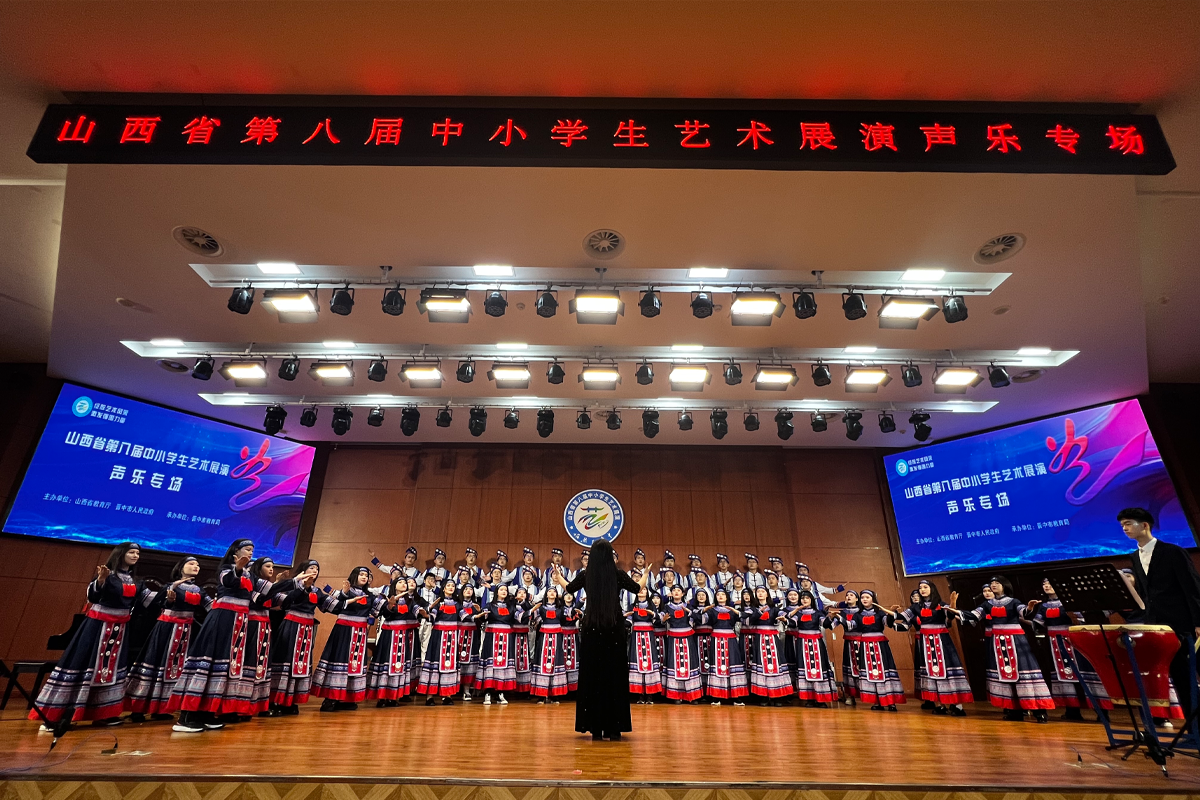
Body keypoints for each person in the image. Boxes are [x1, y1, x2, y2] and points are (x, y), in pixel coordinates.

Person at [34, 542, 152, 727]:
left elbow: (151, 601)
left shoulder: (136, 581)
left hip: (120, 631)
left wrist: (171, 591)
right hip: (97, 628)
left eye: (137, 553)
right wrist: (101, 581)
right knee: (84, 665)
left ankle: (104, 713)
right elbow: (92, 597)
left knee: (112, 671)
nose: (136, 555)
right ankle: (61, 715)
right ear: (120, 554)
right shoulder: (106, 575)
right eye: (131, 552)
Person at [554, 539, 649, 740]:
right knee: (614, 677)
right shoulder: (618, 574)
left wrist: (559, 576)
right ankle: (614, 728)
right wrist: (646, 575)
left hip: (592, 628)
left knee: (593, 676)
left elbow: (569, 588)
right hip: (614, 629)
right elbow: (637, 588)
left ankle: (595, 728)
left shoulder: (586, 575)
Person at [168, 539, 257, 732]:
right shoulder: (226, 569)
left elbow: (265, 592)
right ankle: (186, 717)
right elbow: (228, 581)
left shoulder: (250, 575)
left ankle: (207, 713)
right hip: (223, 620)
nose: (250, 553)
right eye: (247, 549)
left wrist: (296, 583)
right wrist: (238, 569)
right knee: (208, 662)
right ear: (235, 551)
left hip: (238, 623)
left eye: (252, 550)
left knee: (222, 668)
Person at [1122, 506, 1200, 714]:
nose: (1125, 528)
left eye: (1128, 524)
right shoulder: (1134, 557)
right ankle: (1194, 727)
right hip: (1159, 627)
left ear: (1145, 525)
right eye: (1122, 525)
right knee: (1180, 676)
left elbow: (1192, 588)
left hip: (1184, 623)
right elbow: (1146, 593)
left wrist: (1198, 622)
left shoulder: (1173, 552)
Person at [125, 555, 209, 721]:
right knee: (156, 664)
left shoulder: (200, 590)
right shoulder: (171, 586)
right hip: (166, 629)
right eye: (191, 564)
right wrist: (169, 600)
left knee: (176, 668)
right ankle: (138, 709)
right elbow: (156, 604)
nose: (196, 566)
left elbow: (210, 606)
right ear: (181, 568)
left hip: (186, 631)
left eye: (198, 565)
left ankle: (162, 709)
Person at [957, 576, 1053, 722]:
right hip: (997, 644)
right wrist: (954, 610)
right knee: (1003, 675)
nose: (993, 585)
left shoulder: (1014, 601)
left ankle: (1038, 711)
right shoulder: (987, 604)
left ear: (1004, 585)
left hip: (1016, 642)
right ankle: (1014, 710)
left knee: (1024, 673)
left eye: (997, 583)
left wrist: (1029, 607)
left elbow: (1023, 612)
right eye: (992, 583)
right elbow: (973, 615)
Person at [1027, 578, 1111, 720]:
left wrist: (1074, 619)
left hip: (1073, 642)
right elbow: (1037, 624)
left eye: (1049, 583)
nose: (1046, 586)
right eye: (1044, 584)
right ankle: (1072, 711)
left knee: (1084, 673)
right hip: (1054, 644)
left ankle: (1102, 713)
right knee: (1063, 676)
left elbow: (1081, 621)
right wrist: (1021, 617)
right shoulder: (1043, 606)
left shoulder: (1069, 603)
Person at [893, 579, 972, 716]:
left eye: (925, 587)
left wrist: (952, 603)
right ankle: (939, 705)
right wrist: (892, 612)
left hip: (943, 642)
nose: (922, 590)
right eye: (920, 587)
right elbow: (901, 616)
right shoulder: (916, 607)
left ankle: (957, 705)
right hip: (926, 643)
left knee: (949, 670)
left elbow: (950, 616)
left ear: (932, 589)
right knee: (931, 671)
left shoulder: (941, 604)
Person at [311, 566, 385, 712]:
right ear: (354, 576)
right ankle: (331, 698)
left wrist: (389, 603)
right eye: (361, 574)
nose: (364, 577)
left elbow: (376, 613)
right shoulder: (345, 592)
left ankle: (348, 698)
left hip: (359, 633)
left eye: (366, 575)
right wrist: (344, 593)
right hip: (343, 631)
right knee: (339, 660)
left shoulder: (370, 596)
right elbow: (336, 607)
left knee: (354, 664)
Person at [269, 560, 331, 714]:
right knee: (286, 660)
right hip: (291, 626)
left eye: (317, 569)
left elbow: (329, 605)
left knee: (301, 664)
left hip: (306, 630)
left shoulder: (316, 591)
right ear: (303, 570)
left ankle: (291, 701)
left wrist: (345, 596)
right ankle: (276, 701)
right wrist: (303, 587)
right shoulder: (292, 585)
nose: (315, 571)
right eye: (311, 568)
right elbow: (284, 603)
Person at [368, 574, 424, 707]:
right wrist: (390, 605)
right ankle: (381, 697)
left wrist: (424, 613)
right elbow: (382, 614)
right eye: (400, 582)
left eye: (405, 582)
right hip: (389, 636)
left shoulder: (410, 601)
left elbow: (418, 612)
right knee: (386, 664)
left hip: (403, 637)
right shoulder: (386, 598)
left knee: (399, 665)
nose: (404, 584)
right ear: (394, 586)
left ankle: (393, 697)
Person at [845, 590, 906, 711]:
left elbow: (888, 624)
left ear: (873, 599)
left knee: (884, 671)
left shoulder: (880, 613)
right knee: (870, 672)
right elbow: (850, 626)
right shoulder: (858, 615)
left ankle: (891, 702)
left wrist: (891, 613)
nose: (864, 599)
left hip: (880, 645)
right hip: (865, 645)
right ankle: (877, 701)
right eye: (862, 597)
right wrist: (837, 617)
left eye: (867, 597)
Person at [418, 579, 464, 704]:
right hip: (438, 637)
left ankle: (447, 695)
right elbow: (432, 616)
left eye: (453, 586)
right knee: (435, 662)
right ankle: (430, 696)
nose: (451, 587)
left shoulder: (458, 604)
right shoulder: (438, 603)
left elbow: (465, 616)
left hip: (452, 637)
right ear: (443, 588)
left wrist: (477, 615)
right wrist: (426, 615)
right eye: (448, 585)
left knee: (449, 664)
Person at [474, 583, 518, 705]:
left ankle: (500, 692)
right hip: (492, 637)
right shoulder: (490, 605)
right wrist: (480, 613)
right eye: (501, 589)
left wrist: (527, 607)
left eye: (505, 590)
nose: (504, 591)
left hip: (506, 638)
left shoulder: (511, 607)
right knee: (491, 663)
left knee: (503, 663)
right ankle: (488, 692)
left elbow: (520, 617)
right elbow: (483, 618)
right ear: (496, 592)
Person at [702, 588, 747, 705]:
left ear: (727, 597)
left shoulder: (732, 611)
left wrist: (736, 611)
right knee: (717, 665)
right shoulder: (712, 611)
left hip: (731, 639)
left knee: (733, 664)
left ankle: (736, 696)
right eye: (718, 594)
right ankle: (716, 695)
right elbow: (701, 620)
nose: (720, 596)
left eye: (723, 594)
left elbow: (747, 618)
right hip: (716, 639)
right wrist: (703, 610)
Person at [660, 585, 703, 703]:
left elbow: (699, 617)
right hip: (673, 638)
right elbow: (659, 618)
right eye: (674, 590)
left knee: (690, 664)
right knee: (674, 664)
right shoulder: (667, 607)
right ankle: (676, 695)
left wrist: (690, 613)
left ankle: (692, 695)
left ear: (683, 593)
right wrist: (663, 620)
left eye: (679, 590)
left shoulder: (688, 606)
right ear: (671, 593)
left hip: (687, 637)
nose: (676, 592)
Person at [530, 586, 569, 703]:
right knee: (543, 662)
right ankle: (541, 694)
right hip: (544, 637)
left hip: (557, 637)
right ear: (546, 595)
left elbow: (566, 620)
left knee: (556, 661)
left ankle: (554, 694)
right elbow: (533, 619)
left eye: (554, 591)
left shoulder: (561, 609)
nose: (552, 593)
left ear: (557, 595)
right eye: (549, 591)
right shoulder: (541, 608)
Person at [625, 587, 662, 701]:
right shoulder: (632, 606)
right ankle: (639, 694)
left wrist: (653, 614)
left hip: (648, 636)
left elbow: (658, 620)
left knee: (650, 661)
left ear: (647, 592)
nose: (642, 591)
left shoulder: (651, 605)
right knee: (637, 661)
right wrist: (623, 617)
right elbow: (628, 621)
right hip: (636, 636)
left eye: (644, 589)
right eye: (640, 589)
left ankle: (650, 694)